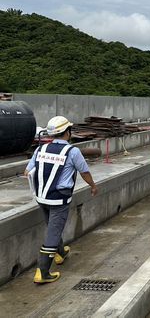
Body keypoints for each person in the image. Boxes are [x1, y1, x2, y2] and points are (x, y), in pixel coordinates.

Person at [24, 116, 98, 284]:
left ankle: (61, 252)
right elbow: (84, 172)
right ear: (67, 132)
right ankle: (42, 272)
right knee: (53, 232)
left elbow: (27, 172)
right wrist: (93, 186)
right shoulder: (72, 152)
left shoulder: (40, 149)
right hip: (59, 200)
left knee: (52, 227)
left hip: (42, 198)